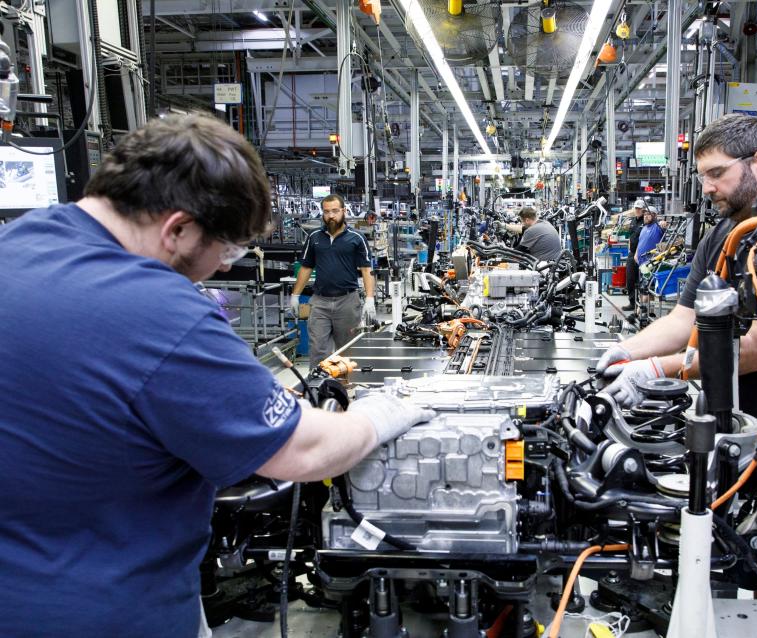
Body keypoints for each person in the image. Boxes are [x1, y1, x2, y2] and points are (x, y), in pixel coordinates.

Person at [0, 113, 435, 638]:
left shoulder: (24, 242)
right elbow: (304, 451)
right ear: (178, 228)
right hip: (105, 611)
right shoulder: (157, 307)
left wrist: (245, 395)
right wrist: (380, 413)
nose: (226, 268)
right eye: (226, 250)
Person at [595, 114, 757, 593]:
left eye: (716, 173)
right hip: (737, 440)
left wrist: (654, 368)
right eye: (702, 176)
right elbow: (684, 319)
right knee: (731, 580)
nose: (707, 188)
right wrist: (622, 352)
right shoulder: (725, 235)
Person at [290, 193, 378, 369]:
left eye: (335, 211)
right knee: (318, 350)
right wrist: (295, 295)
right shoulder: (314, 237)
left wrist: (370, 299)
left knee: (347, 350)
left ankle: (346, 390)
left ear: (343, 211)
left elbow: (367, 269)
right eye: (327, 211)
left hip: (347, 301)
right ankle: (319, 389)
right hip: (320, 302)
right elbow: (306, 267)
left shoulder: (356, 238)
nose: (331, 215)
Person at [631, 202, 665, 314]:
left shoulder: (657, 227)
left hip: (651, 264)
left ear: (655, 216)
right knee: (645, 289)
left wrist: (663, 223)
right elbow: (641, 242)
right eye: (644, 214)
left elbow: (664, 225)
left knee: (645, 289)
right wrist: (636, 254)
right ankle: (650, 312)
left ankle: (638, 312)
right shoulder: (644, 228)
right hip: (641, 263)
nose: (645, 216)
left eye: (648, 214)